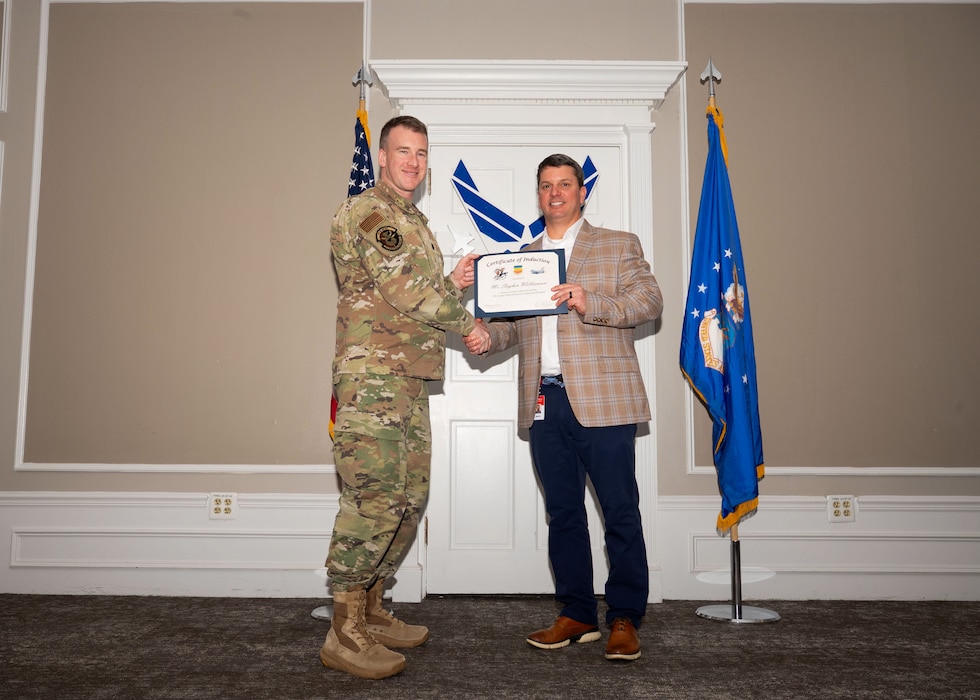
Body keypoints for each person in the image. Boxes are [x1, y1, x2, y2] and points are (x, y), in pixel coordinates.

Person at [465, 153, 663, 662]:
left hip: (604, 401)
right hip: (544, 401)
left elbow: (649, 303)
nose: (555, 193)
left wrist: (586, 298)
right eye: (546, 186)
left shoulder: (618, 245)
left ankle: (624, 617)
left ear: (581, 193)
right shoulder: (523, 258)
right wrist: (488, 335)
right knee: (564, 514)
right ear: (538, 194)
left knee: (620, 511)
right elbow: (516, 325)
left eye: (565, 185)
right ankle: (577, 614)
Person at [322, 115, 490, 680]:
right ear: (383, 156)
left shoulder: (413, 220)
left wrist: (454, 283)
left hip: (408, 382)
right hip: (373, 382)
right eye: (403, 152)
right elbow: (404, 288)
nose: (413, 162)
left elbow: (411, 294)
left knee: (408, 500)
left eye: (421, 153)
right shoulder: (371, 212)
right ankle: (344, 631)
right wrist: (466, 322)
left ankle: (370, 609)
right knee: (373, 499)